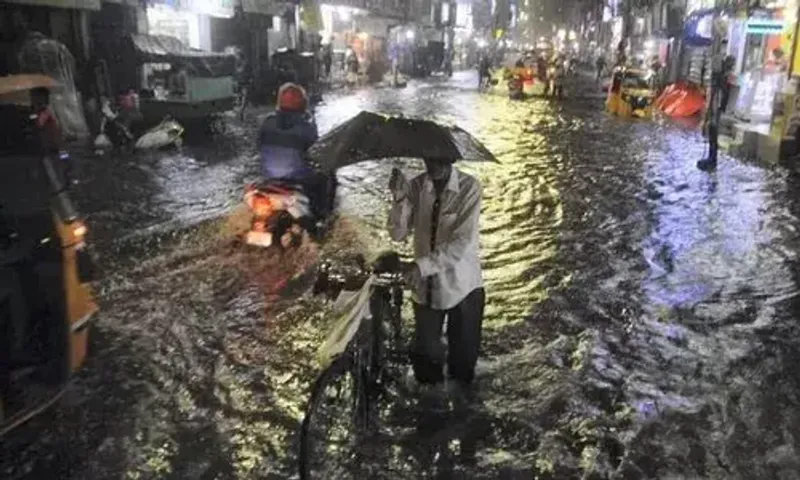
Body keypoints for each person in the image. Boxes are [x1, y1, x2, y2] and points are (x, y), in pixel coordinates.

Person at [387, 158, 485, 398]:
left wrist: (420, 267)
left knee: (462, 370)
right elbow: (397, 234)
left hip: (463, 287)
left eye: (439, 157)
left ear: (451, 158)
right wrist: (399, 198)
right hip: (427, 290)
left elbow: (461, 243)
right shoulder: (416, 187)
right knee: (426, 369)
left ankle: (462, 417)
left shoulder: (469, 187)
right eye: (428, 157)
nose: (433, 164)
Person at [258, 83, 332, 219]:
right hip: (299, 181)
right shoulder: (307, 126)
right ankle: (321, 218)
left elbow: (260, 146)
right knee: (326, 178)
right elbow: (315, 153)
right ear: (303, 104)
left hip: (269, 180)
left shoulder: (267, 122)